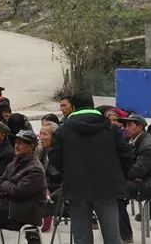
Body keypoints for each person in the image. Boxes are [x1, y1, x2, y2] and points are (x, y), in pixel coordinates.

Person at [50, 93, 133, 244]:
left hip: (77, 188)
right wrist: (119, 177)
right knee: (113, 237)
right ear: (92, 105)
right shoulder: (111, 128)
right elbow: (127, 156)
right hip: (107, 187)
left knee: (82, 238)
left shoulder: (62, 131)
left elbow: (55, 158)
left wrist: (69, 172)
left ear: (74, 107)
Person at [0, 130, 46, 244]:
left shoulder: (35, 169)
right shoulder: (13, 164)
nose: (16, 145)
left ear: (31, 146)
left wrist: (6, 184)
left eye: (21, 143)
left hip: (23, 212)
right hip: (8, 206)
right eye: (16, 142)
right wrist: (8, 186)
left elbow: (17, 191)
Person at [116, 114, 151, 243]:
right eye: (125, 126)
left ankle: (125, 237)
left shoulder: (148, 145)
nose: (126, 128)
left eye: (130, 125)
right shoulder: (134, 140)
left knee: (116, 193)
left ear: (140, 127)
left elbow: (136, 171)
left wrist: (115, 175)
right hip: (143, 180)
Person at [37, 121, 61, 233]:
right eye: (40, 134)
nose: (41, 137)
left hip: (60, 187)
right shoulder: (41, 152)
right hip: (46, 185)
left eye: (45, 134)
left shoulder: (62, 153)